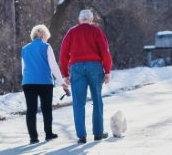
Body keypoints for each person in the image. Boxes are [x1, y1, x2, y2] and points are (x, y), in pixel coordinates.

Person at [59, 9, 113, 144]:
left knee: (78, 102)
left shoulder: (71, 32)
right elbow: (105, 51)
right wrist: (107, 71)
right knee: (97, 99)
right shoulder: (96, 31)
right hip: (95, 67)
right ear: (91, 20)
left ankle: (81, 135)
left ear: (79, 20)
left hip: (76, 68)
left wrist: (65, 74)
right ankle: (98, 133)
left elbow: (63, 54)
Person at [20, 24, 66, 144]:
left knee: (31, 109)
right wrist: (62, 82)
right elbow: (53, 66)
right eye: (46, 36)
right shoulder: (46, 47)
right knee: (46, 109)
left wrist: (26, 80)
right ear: (43, 35)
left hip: (28, 82)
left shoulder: (24, 49)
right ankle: (48, 134)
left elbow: (23, 68)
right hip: (44, 82)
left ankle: (33, 137)